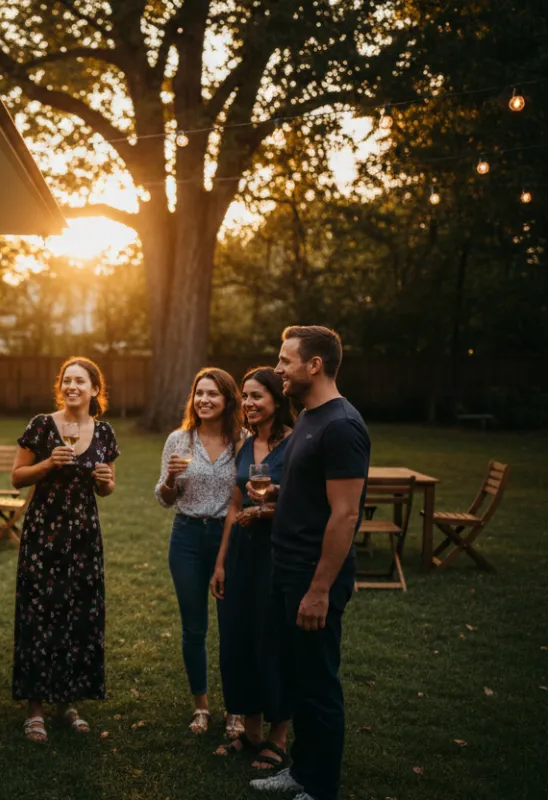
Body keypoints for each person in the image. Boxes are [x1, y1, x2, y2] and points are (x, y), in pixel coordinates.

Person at [250, 326, 369, 800]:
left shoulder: (342, 425)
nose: (277, 368)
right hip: (287, 567)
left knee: (318, 684)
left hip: (312, 575)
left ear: (313, 365)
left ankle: (321, 788)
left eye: (285, 360)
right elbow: (315, 492)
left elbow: (345, 514)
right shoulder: (308, 418)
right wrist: (282, 493)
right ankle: (300, 770)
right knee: (298, 677)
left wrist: (319, 589)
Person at [11, 357, 119, 742]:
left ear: (94, 389)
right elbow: (17, 477)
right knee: (41, 615)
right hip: (45, 534)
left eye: (80, 381)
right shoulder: (42, 425)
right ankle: (36, 708)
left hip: (84, 537)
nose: (73, 386)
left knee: (79, 615)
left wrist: (105, 481)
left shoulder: (104, 433)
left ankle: (70, 703)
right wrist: (46, 465)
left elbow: (105, 488)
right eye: (67, 380)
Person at [211, 368, 294, 770]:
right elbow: (233, 507)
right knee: (237, 640)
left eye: (257, 396)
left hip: (278, 557)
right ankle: (251, 729)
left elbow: (307, 506)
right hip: (242, 554)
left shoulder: (295, 445)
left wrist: (267, 512)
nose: (248, 403)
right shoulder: (245, 445)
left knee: (272, 639)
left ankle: (279, 735)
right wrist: (221, 563)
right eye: (245, 396)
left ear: (278, 399)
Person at [155, 367, 242, 738]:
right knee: (194, 628)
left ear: (227, 400)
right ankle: (202, 707)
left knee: (234, 628)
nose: (204, 400)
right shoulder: (179, 440)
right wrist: (171, 478)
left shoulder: (244, 441)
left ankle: (237, 710)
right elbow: (164, 498)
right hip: (187, 537)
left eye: (213, 394)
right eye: (199, 393)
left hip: (230, 539)